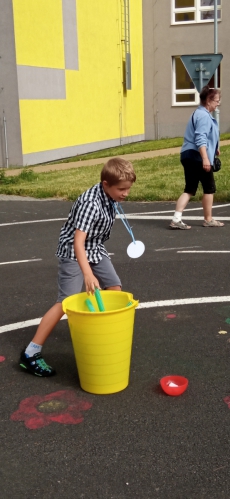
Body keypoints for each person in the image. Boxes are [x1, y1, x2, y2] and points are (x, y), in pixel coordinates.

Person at [19, 157, 136, 377]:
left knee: (114, 289)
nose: (125, 194)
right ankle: (31, 352)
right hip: (74, 252)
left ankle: (100, 336)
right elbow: (77, 242)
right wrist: (88, 273)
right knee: (66, 302)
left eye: (128, 189)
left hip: (95, 247)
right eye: (121, 189)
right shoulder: (90, 204)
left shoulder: (109, 195)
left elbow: (92, 240)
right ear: (105, 184)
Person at [170, 85, 224, 230]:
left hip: (188, 154)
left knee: (190, 189)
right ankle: (208, 219)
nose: (218, 103)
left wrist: (214, 149)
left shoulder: (197, 113)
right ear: (208, 100)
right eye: (216, 100)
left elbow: (204, 137)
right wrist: (206, 158)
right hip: (197, 156)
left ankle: (176, 219)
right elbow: (201, 138)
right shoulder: (204, 116)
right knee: (209, 188)